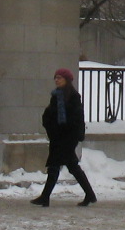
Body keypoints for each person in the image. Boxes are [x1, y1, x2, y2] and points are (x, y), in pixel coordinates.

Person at [31, 68, 96, 207]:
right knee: (68, 166)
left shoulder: (73, 96)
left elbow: (77, 117)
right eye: (56, 77)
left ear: (67, 80)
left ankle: (45, 197)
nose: (56, 80)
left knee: (57, 165)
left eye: (59, 78)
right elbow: (51, 114)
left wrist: (74, 134)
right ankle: (90, 195)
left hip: (67, 137)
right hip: (58, 136)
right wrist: (49, 123)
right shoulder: (56, 95)